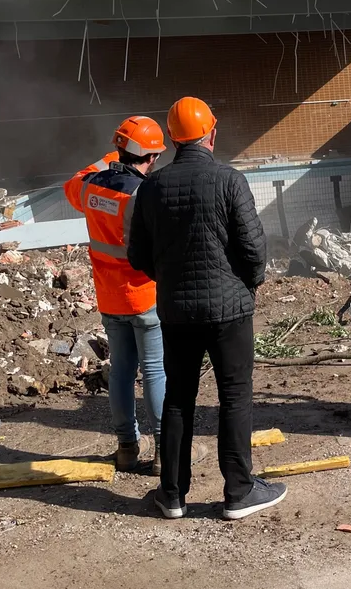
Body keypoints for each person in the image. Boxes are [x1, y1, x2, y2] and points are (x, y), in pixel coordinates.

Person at [127, 96, 286, 521]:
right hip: (230, 310)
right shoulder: (230, 181)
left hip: (177, 312)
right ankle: (238, 491)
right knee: (235, 396)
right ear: (211, 133)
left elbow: (137, 255)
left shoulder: (152, 188)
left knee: (179, 398)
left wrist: (172, 281)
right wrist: (248, 283)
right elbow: (254, 249)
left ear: (174, 140)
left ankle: (172, 495)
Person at [63, 116, 167, 474]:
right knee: (154, 371)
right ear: (151, 157)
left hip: (108, 297)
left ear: (120, 148)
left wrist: (109, 158)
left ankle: (126, 448)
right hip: (144, 296)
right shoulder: (143, 193)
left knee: (122, 371)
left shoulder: (91, 186)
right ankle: (163, 453)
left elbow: (71, 183)